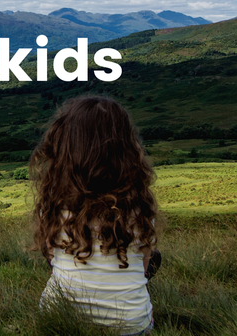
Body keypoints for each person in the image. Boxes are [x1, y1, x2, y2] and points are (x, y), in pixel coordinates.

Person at [30, 96, 159, 335]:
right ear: (126, 148)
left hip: (58, 321)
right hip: (131, 328)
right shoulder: (139, 207)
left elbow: (51, 259)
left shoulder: (53, 204)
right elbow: (143, 268)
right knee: (153, 258)